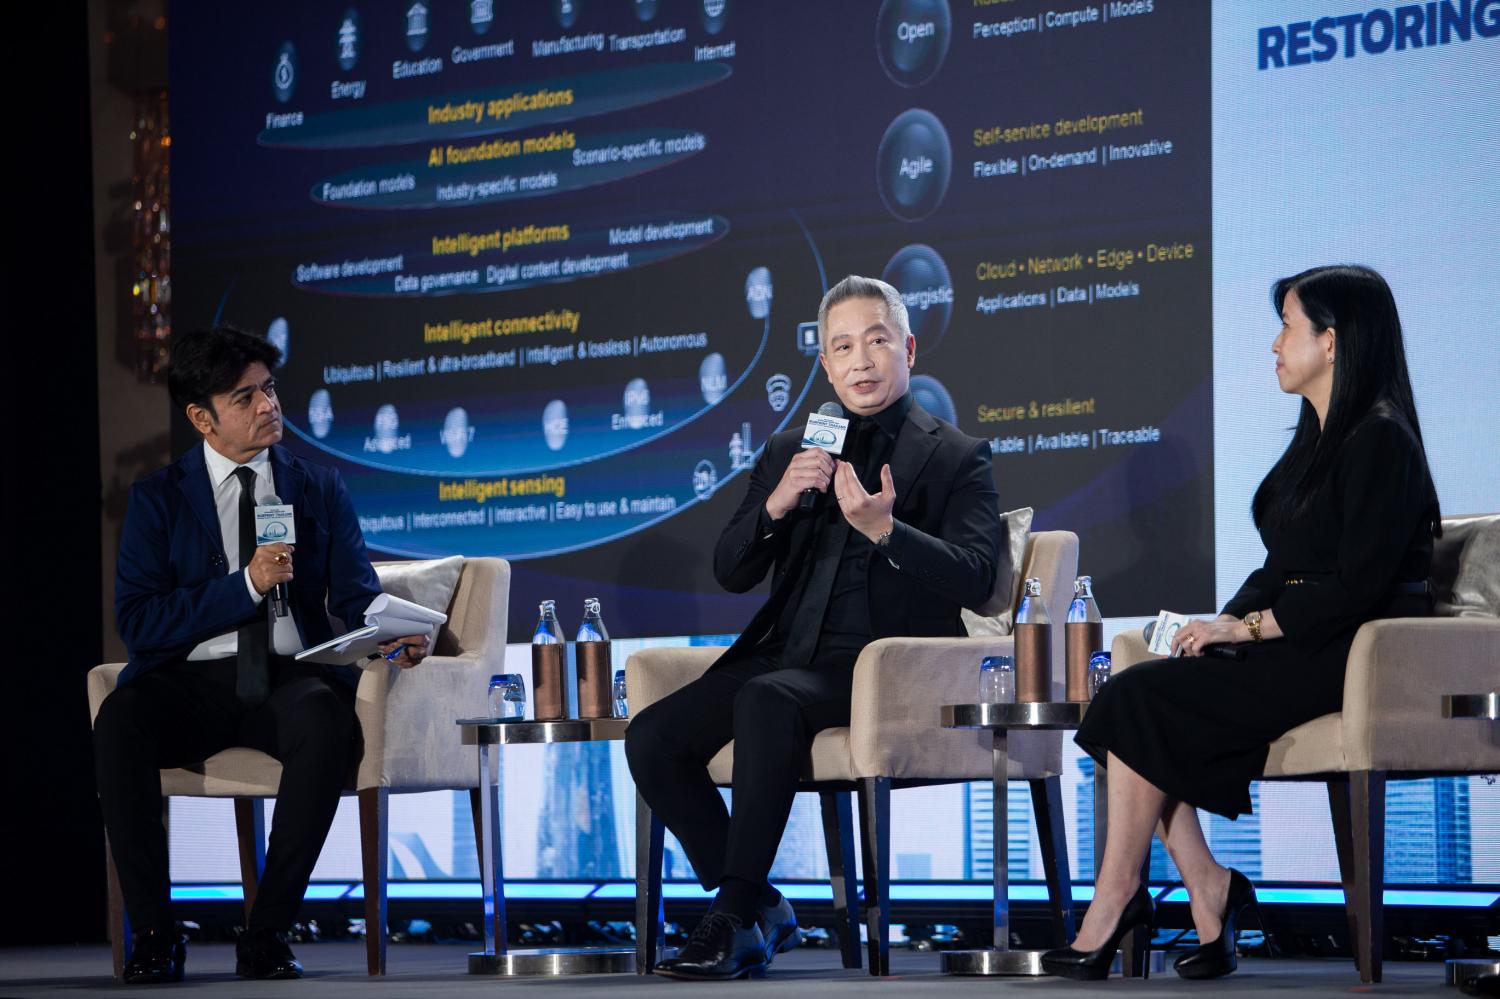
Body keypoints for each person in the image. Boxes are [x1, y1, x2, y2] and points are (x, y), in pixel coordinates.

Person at [1047, 265, 1440, 981]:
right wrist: (1220, 621)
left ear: (1331, 341)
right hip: (1303, 644)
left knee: (1137, 702)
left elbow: (1358, 585)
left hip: (1347, 654)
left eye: (1287, 326)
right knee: (1133, 698)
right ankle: (1206, 888)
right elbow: (1280, 566)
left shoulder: (1383, 439)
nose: (1275, 344)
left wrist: (1248, 630)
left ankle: (1126, 896)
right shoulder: (1321, 439)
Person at [626, 276, 1002, 980]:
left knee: (767, 699)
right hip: (784, 653)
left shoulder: (956, 454)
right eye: (843, 347)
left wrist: (886, 530)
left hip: (882, 669)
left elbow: (978, 576)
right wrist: (776, 503)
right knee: (652, 737)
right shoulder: (790, 451)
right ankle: (763, 904)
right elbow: (731, 571)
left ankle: (732, 918)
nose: (862, 360)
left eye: (877, 341)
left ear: (908, 349)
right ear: (826, 365)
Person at [94, 327, 431, 984]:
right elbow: (139, 621)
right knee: (119, 721)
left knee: (326, 721)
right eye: (245, 397)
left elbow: (356, 594)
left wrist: (392, 631)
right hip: (191, 680)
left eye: (269, 389)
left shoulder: (317, 485)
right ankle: (157, 934)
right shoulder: (159, 498)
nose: (268, 405)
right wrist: (245, 585)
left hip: (286, 678)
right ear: (203, 418)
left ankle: (268, 932)